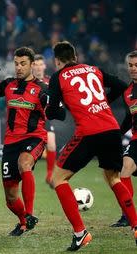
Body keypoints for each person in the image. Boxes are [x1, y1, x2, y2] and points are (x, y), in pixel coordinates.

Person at [46, 41, 137, 251]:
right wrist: (102, 101)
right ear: (75, 56)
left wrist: (58, 109)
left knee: (58, 179)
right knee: (113, 177)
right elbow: (122, 86)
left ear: (57, 61)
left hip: (88, 131)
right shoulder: (93, 69)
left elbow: (52, 112)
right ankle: (135, 225)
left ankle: (80, 233)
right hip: (112, 128)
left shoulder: (58, 77)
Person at [0, 47, 47, 236]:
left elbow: (58, 112)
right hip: (10, 143)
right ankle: (24, 221)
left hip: (34, 138)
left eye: (23, 64)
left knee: (24, 162)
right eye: (16, 64)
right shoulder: (9, 84)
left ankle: (30, 213)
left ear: (32, 65)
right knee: (10, 198)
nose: (19, 67)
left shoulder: (42, 89)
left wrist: (53, 107)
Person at [111, 50, 137, 228]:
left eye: (136, 65)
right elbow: (129, 118)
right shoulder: (127, 92)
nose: (133, 68)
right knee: (124, 171)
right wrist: (118, 134)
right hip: (136, 138)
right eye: (131, 65)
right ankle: (127, 215)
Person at [32, 54, 57, 186]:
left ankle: (50, 175)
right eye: (36, 65)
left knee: (51, 143)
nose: (38, 67)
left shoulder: (50, 82)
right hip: (31, 119)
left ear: (45, 66)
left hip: (45, 118)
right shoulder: (30, 82)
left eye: (41, 64)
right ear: (32, 67)